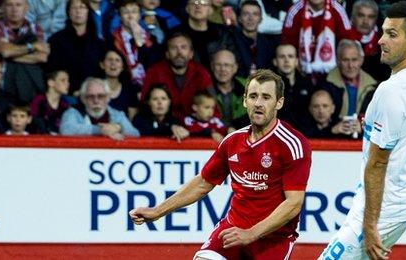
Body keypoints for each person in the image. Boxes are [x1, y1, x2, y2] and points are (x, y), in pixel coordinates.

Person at [319, 2, 406, 259]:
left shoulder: (389, 92)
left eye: (392, 34)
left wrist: (369, 227)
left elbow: (377, 164)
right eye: (383, 32)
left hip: (381, 208)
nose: (381, 40)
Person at [130, 69, 312, 259]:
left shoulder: (293, 144)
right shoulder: (232, 141)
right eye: (253, 96)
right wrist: (158, 211)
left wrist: (251, 234)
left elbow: (293, 203)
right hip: (232, 230)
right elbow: (203, 183)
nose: (258, 103)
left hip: (273, 238)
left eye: (266, 97)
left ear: (279, 102)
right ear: (244, 101)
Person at [0, 0, 50, 103]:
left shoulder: (35, 28)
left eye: (18, 5)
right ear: (3, 8)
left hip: (30, 83)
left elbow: (42, 57)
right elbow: (5, 52)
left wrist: (11, 52)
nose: (14, 9)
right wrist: (32, 47)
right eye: (9, 5)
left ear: (26, 8)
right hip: (2, 84)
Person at [141, 31, 212, 120]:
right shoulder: (154, 72)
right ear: (167, 54)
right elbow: (145, 104)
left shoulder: (201, 73)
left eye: (183, 47)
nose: (179, 52)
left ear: (191, 54)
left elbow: (211, 105)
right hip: (164, 126)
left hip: (196, 126)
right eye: (174, 48)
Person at [46, 0, 105, 95]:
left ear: (88, 11)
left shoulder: (99, 44)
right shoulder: (56, 40)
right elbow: (53, 70)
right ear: (68, 12)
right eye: (74, 7)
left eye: (82, 7)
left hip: (93, 94)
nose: (78, 11)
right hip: (66, 94)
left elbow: (101, 72)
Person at [59, 77, 139, 139]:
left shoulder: (117, 115)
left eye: (101, 96)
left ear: (108, 98)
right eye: (91, 96)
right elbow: (66, 130)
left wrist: (119, 128)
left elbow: (136, 134)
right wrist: (100, 130)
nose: (96, 100)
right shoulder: (72, 112)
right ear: (83, 99)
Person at [325, 39, 377, 119]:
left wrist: (360, 125)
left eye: (354, 60)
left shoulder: (373, 86)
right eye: (345, 60)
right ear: (338, 61)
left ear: (361, 60)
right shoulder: (326, 84)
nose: (350, 65)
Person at [208, 49, 248, 130]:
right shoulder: (205, 88)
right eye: (218, 65)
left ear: (235, 68)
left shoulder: (248, 87)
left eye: (227, 65)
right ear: (212, 66)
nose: (222, 69)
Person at [99, 49, 141, 120]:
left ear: (122, 67)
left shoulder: (130, 90)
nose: (113, 63)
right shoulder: (94, 88)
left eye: (117, 60)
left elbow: (132, 119)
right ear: (102, 65)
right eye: (110, 60)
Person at [30, 70, 71, 134]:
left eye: (68, 81)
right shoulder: (38, 101)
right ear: (50, 83)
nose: (68, 84)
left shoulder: (65, 105)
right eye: (63, 80)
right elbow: (33, 123)